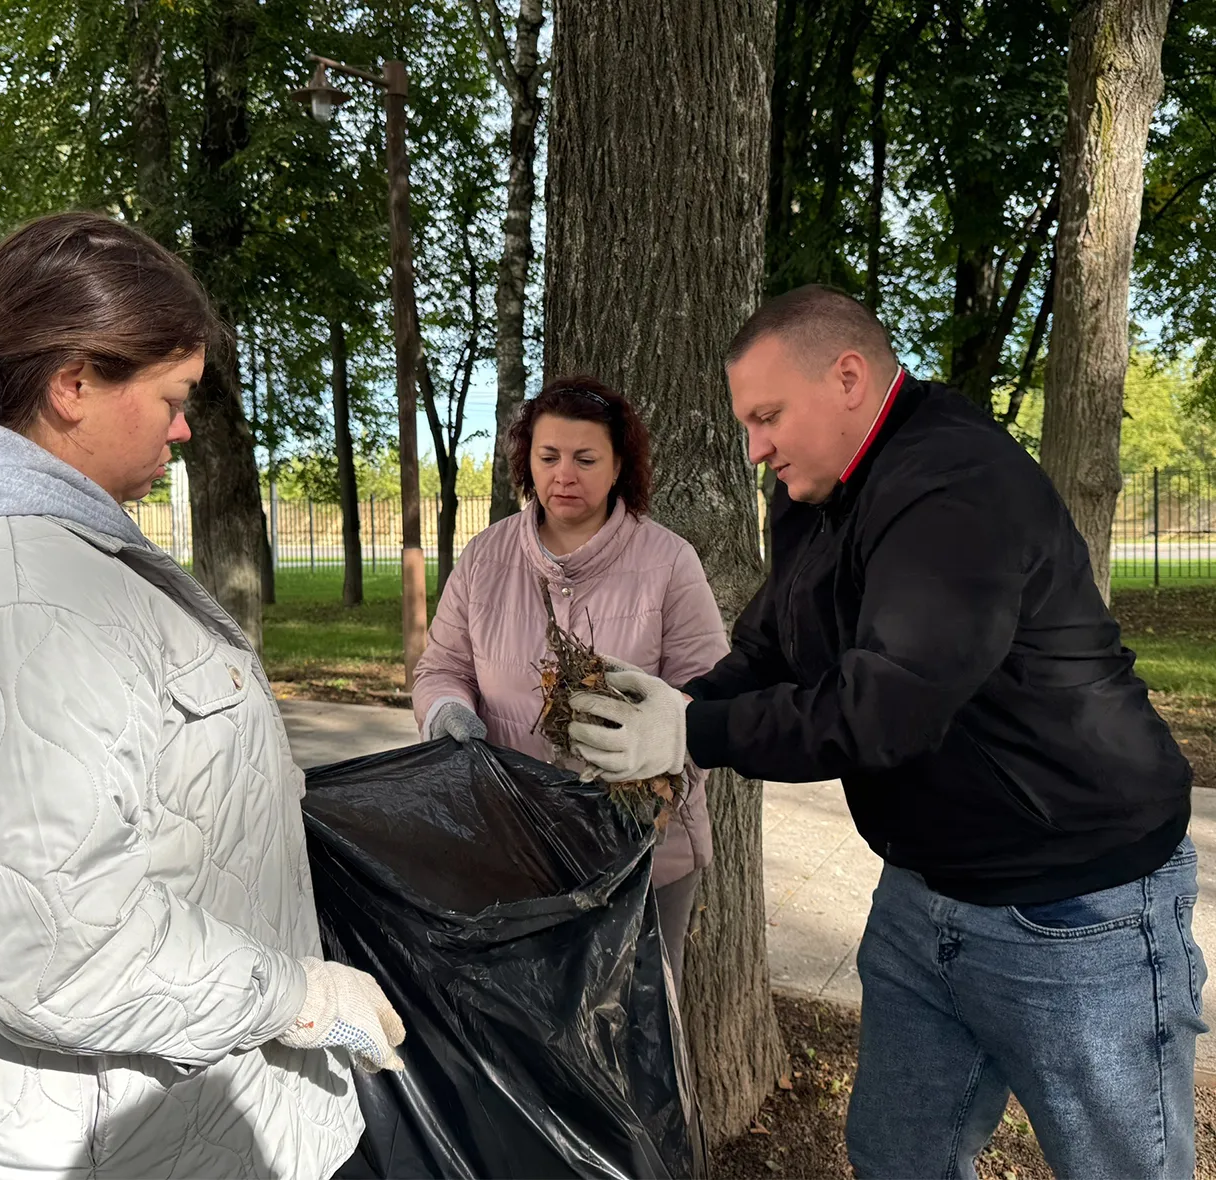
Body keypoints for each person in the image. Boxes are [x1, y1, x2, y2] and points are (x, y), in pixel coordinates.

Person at [0, 212, 403, 1180]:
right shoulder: (19, 595)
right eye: (172, 396)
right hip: (54, 1140)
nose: (182, 427)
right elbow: (61, 947)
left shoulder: (28, 559)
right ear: (73, 385)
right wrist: (296, 995)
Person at [568, 283, 1202, 1178]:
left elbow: (889, 704)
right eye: (747, 425)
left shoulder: (955, 482)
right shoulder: (814, 491)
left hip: (1076, 902)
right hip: (922, 893)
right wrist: (677, 704)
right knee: (898, 1157)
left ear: (849, 378)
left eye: (767, 417)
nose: (755, 449)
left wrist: (692, 735)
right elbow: (774, 646)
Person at [410, 375, 727, 997]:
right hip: (513, 845)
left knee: (637, 1025)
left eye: (585, 459)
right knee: (527, 1019)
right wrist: (446, 710)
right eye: (549, 456)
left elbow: (711, 694)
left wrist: (661, 754)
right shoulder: (485, 558)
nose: (564, 475)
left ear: (618, 467)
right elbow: (443, 666)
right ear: (527, 461)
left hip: (642, 858)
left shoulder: (669, 563)